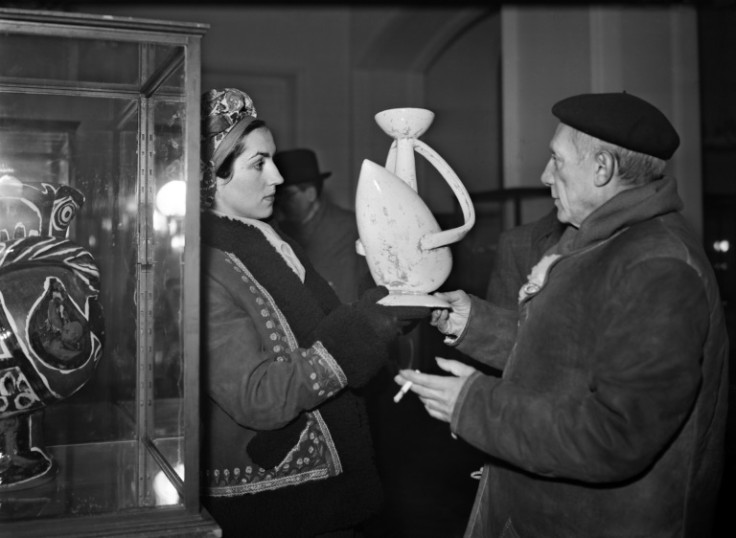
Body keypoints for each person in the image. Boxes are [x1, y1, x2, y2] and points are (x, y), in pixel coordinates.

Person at [396, 92, 729, 537]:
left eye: (557, 159)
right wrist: (472, 321)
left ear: (602, 168)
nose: (544, 174)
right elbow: (570, 355)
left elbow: (617, 435)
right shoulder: (602, 239)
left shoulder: (658, 266)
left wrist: (474, 405)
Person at [199, 87, 403, 538]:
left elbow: (321, 325)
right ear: (214, 177)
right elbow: (258, 396)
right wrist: (363, 327)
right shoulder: (204, 265)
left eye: (273, 160)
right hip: (279, 503)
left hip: (326, 492)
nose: (276, 177)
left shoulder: (268, 238)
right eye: (259, 164)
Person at [273, 148, 368, 303]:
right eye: (277, 195)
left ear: (310, 193)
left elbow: (346, 297)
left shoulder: (347, 228)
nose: (281, 202)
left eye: (288, 195)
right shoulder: (281, 230)